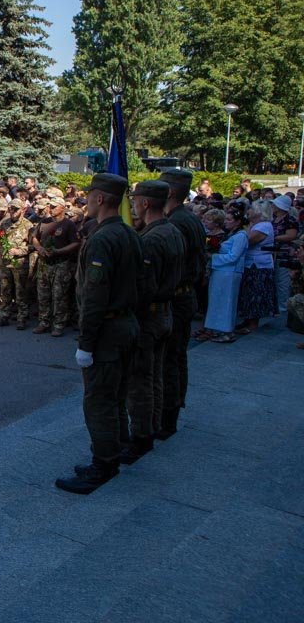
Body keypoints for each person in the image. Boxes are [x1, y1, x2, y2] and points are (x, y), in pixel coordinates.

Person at [55, 173, 141, 495]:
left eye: (89, 195)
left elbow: (94, 296)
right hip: (125, 324)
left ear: (100, 198)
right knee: (116, 396)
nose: (86, 201)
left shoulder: (104, 239)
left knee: (100, 402)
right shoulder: (128, 233)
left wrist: (86, 343)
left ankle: (102, 465)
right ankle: (115, 450)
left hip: (107, 330)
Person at [123, 180, 183, 465]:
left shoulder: (151, 238)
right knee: (156, 374)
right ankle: (155, 425)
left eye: (135, 200)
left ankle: (141, 436)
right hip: (166, 312)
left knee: (140, 380)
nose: (132, 205)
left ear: (145, 203)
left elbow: (143, 287)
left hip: (149, 315)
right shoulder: (171, 230)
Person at [159, 168, 206, 440]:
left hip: (175, 297)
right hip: (183, 295)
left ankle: (167, 417)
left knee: (169, 359)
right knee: (175, 357)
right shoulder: (185, 217)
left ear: (170, 192)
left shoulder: (177, 221)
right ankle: (169, 413)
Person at [32, 197, 80, 337]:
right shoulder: (44, 222)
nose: (50, 209)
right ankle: (44, 322)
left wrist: (59, 251)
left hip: (61, 263)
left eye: (53, 206)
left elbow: (76, 243)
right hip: (44, 263)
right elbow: (35, 237)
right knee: (43, 294)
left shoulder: (68, 224)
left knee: (60, 295)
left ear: (62, 208)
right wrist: (39, 247)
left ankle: (59, 324)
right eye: (50, 206)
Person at [201, 209, 248, 343]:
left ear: (238, 222)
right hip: (220, 271)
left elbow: (233, 256)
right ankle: (216, 328)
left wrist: (213, 256)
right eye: (225, 219)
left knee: (227, 301)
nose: (226, 222)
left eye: (229, 220)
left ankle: (227, 331)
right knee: (217, 300)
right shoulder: (230, 234)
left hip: (230, 272)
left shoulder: (241, 236)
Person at [236, 200, 278, 333]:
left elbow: (247, 241)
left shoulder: (263, 226)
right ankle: (247, 320)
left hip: (258, 264)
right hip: (253, 262)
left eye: (251, 209)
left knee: (255, 293)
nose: (248, 212)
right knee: (249, 292)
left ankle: (252, 323)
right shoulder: (257, 225)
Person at [0, 198, 33, 328]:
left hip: (19, 263)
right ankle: (4, 315)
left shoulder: (28, 225)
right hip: (5, 262)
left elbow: (33, 246)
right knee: (5, 290)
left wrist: (19, 251)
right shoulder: (4, 224)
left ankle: (22, 317)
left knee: (20, 292)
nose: (12, 212)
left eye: (15, 209)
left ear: (22, 210)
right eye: (10, 209)